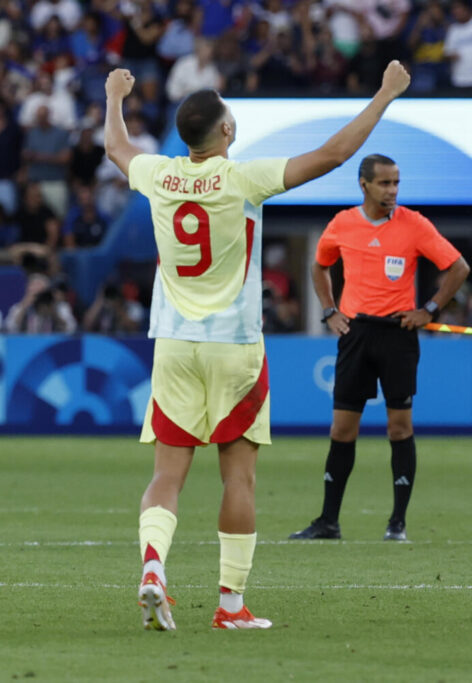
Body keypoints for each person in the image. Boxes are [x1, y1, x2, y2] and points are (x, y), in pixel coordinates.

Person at [102, 61, 412, 631]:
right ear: (225, 130)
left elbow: (116, 147)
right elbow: (333, 154)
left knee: (166, 475)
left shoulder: (158, 174)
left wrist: (113, 96)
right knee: (238, 478)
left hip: (173, 345)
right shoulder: (243, 179)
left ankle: (153, 567)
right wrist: (385, 94)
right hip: (235, 348)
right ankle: (230, 606)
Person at [288, 154, 469, 543]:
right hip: (355, 334)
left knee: (399, 426)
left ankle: (397, 524)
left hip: (397, 335)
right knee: (342, 429)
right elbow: (319, 266)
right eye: (385, 183)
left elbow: (459, 267)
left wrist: (429, 310)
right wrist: (329, 311)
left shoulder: (414, 224)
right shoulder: (343, 223)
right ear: (364, 185)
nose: (393, 190)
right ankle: (328, 522)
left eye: (396, 183)